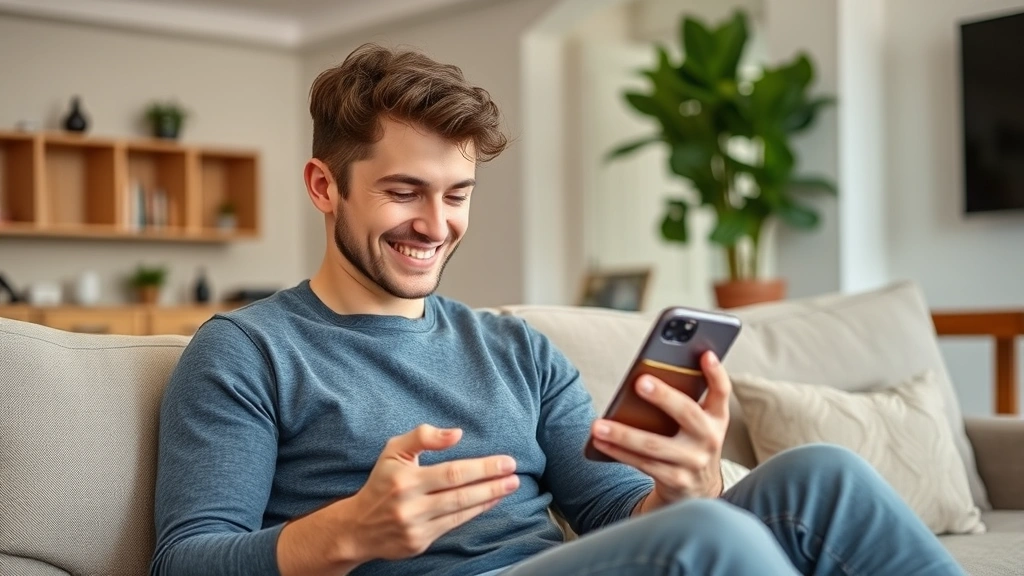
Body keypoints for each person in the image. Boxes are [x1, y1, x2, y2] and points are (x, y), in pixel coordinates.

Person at [150, 43, 964, 576]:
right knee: (712, 540)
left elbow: (617, 515)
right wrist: (345, 533)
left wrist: (687, 481)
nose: (436, 226)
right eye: (404, 192)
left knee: (821, 477)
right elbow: (184, 561)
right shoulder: (246, 350)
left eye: (457, 194)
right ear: (325, 187)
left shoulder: (515, 348)